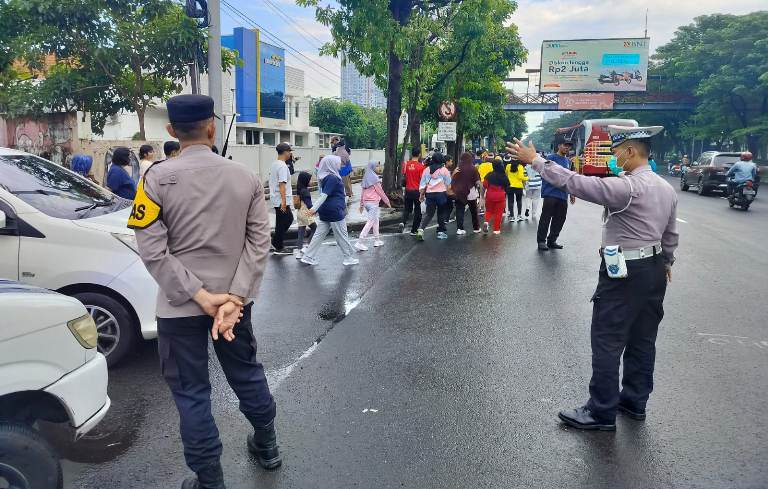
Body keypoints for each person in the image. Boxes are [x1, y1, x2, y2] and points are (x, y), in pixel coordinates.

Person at [129, 94, 280, 489]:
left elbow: (151, 250)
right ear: (213, 127)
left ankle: (210, 481)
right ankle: (268, 447)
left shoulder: (154, 179)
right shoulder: (245, 177)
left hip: (178, 308)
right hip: (233, 308)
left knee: (191, 393)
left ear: (171, 131)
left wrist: (197, 294)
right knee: (246, 373)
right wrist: (235, 297)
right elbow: (259, 242)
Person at [507, 124, 678, 431]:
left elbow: (578, 183)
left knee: (607, 339)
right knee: (643, 340)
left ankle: (601, 411)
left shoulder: (627, 188)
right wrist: (667, 261)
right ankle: (634, 401)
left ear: (630, 152)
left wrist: (536, 161)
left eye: (616, 152)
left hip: (624, 272)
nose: (613, 158)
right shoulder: (665, 188)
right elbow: (670, 233)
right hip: (653, 270)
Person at [300, 155, 359, 266]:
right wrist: (313, 209)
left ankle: (308, 256)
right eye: (337, 163)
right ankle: (348, 258)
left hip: (326, 210)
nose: (340, 165)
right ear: (331, 164)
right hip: (334, 211)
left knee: (318, 235)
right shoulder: (332, 178)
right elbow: (324, 195)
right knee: (342, 235)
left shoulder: (325, 177)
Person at [536, 135, 576, 251]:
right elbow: (544, 173)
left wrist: (572, 193)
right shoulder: (550, 158)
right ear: (559, 146)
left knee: (560, 218)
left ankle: (552, 240)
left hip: (563, 195)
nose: (567, 147)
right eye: (565, 145)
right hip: (550, 193)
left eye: (569, 146)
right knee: (546, 217)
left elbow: (570, 178)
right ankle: (541, 241)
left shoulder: (568, 161)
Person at [356, 161, 391, 251]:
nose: (378, 167)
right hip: (373, 203)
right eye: (377, 166)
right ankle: (360, 242)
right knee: (371, 221)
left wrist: (361, 205)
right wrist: (387, 201)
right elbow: (380, 192)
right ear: (372, 167)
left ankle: (377, 240)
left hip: (367, 203)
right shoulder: (375, 178)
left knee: (375, 220)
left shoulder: (366, 177)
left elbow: (362, 193)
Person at [417, 152, 452, 240]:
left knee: (429, 214)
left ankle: (421, 229)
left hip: (430, 194)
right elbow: (448, 184)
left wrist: (421, 195)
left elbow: (422, 184)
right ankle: (440, 232)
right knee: (441, 213)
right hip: (441, 194)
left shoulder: (427, 170)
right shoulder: (444, 170)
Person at [269, 142, 294, 255]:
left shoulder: (275, 164)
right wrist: (283, 202)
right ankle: (278, 244)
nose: (290, 154)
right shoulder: (282, 166)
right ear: (285, 152)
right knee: (288, 219)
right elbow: (282, 184)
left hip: (276, 198)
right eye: (289, 151)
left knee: (281, 222)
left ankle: (277, 243)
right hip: (281, 199)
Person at [452, 152, 482, 234]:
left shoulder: (458, 168)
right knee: (473, 211)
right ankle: (476, 228)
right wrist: (481, 192)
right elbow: (477, 181)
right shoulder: (473, 168)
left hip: (459, 192)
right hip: (471, 192)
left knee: (459, 210)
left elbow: (453, 179)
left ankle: (460, 228)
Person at [400, 146, 425, 235]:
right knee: (418, 211)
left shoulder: (406, 164)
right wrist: (423, 193)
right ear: (419, 155)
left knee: (407, 208)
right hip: (417, 191)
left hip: (408, 190)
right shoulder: (421, 167)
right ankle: (414, 230)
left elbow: (404, 175)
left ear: (412, 154)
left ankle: (403, 222)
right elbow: (422, 180)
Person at [482, 158, 510, 235]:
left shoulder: (489, 175)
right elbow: (507, 187)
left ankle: (486, 222)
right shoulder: (504, 176)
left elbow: (484, 185)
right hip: (500, 196)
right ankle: (496, 230)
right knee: (498, 213)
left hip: (490, 196)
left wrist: (482, 196)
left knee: (489, 211)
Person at [294, 171, 317, 259]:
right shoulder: (305, 191)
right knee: (315, 228)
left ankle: (299, 252)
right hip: (306, 213)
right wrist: (315, 211)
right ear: (305, 180)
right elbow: (309, 204)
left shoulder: (299, 190)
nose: (311, 181)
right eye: (310, 180)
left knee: (301, 231)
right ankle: (307, 246)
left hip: (299, 213)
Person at [504, 154, 527, 222]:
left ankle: (512, 216)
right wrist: (527, 178)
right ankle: (519, 216)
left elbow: (506, 175)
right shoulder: (520, 167)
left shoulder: (508, 166)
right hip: (519, 186)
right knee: (519, 201)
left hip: (510, 186)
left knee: (510, 201)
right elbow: (521, 177)